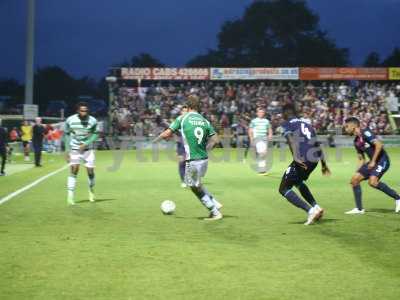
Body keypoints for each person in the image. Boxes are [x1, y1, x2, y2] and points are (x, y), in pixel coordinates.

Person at [153, 95, 223, 220]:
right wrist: (206, 149)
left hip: (193, 160)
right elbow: (216, 140)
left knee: (193, 187)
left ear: (188, 106)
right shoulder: (204, 121)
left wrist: (156, 140)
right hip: (204, 159)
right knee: (198, 183)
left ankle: (214, 211)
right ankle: (215, 202)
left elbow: (168, 133)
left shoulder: (183, 118)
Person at [278, 104, 331, 225]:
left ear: (285, 114)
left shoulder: (287, 124)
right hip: (314, 159)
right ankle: (316, 207)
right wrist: (323, 164)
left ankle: (310, 211)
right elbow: (317, 144)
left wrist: (296, 157)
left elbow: (291, 139)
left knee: (283, 188)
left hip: (302, 158)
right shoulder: (308, 125)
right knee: (297, 181)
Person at [343, 117, 400, 214]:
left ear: (354, 126)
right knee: (354, 180)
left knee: (372, 182)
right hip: (372, 162)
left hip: (382, 160)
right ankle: (359, 209)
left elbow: (379, 145)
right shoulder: (356, 141)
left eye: (347, 126)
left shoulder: (365, 132)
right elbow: (361, 158)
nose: (345, 129)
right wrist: (357, 172)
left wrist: (373, 161)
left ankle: (398, 198)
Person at [64, 102, 99, 205]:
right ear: (78, 111)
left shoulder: (93, 120)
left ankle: (91, 190)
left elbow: (96, 134)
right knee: (74, 169)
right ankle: (70, 195)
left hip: (88, 149)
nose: (84, 112)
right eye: (82, 110)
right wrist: (66, 150)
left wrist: (86, 143)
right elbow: (66, 134)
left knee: (90, 172)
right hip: (75, 148)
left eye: (86, 111)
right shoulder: (70, 120)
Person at [248, 107, 273, 174]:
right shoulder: (254, 121)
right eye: (260, 112)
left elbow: (269, 128)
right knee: (262, 153)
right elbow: (250, 130)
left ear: (264, 113)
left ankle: (261, 167)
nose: (261, 113)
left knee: (264, 153)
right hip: (257, 138)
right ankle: (262, 170)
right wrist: (251, 138)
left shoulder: (266, 121)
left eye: (262, 112)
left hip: (264, 138)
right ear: (257, 113)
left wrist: (270, 135)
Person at [176, 105, 188, 187]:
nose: (185, 112)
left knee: (190, 163)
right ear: (181, 112)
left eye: (186, 111)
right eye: (183, 111)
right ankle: (183, 181)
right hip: (181, 144)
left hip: (190, 144)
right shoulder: (178, 120)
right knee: (181, 162)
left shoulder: (190, 120)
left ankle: (189, 179)